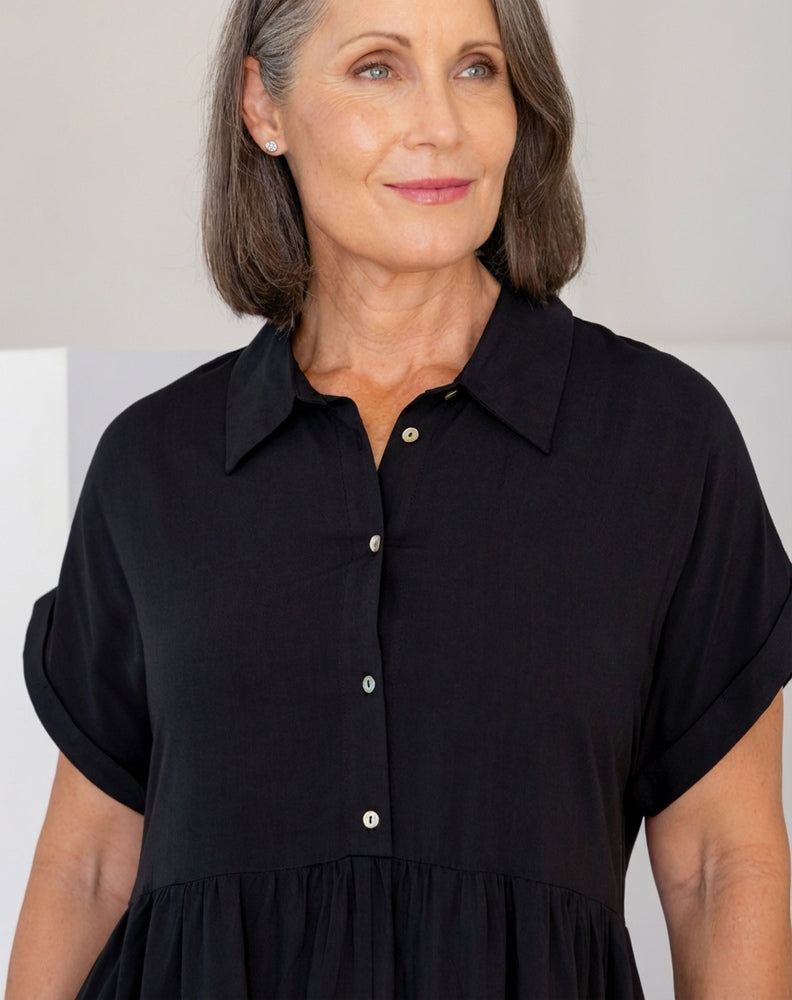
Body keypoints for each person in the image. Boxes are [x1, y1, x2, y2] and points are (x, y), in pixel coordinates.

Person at [5, 0, 792, 996]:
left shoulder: (662, 441)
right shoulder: (154, 465)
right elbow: (87, 870)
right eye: (378, 68)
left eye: (478, 68)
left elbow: (720, 868)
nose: (441, 124)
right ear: (263, 106)